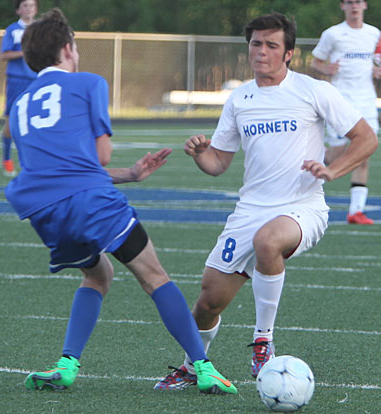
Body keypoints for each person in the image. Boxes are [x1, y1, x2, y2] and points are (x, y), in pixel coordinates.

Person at [5, 8, 237, 395]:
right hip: (91, 202)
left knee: (97, 275)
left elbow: (53, 169)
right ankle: (203, 366)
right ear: (67, 48)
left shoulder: (18, 106)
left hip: (43, 211)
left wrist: (130, 176)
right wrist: (116, 171)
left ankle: (67, 363)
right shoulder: (89, 83)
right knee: (154, 275)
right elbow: (101, 156)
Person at [154, 12, 378, 390]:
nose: (261, 51)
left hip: (303, 207)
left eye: (271, 45)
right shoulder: (240, 98)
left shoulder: (314, 91)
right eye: (256, 43)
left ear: (289, 53)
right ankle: (193, 366)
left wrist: (332, 171)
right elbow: (219, 163)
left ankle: (263, 341)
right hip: (250, 209)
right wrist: (199, 153)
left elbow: (366, 138)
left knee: (267, 241)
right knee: (207, 303)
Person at [311, 0, 381, 225]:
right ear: (343, 6)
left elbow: (378, 60)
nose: (354, 6)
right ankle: (313, 157)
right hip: (340, 101)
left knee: (364, 151)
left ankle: (356, 211)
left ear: (365, 6)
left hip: (367, 101)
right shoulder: (332, 34)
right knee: (337, 154)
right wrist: (326, 69)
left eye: (358, 2)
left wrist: (378, 70)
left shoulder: (374, 33)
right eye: (349, 2)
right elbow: (316, 62)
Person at [0, 0, 38, 177]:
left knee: (35, 121)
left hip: (37, 79)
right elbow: (4, 54)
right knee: (11, 121)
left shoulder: (40, 29)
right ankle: (7, 158)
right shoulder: (13, 30)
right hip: (17, 80)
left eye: (31, 5)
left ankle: (33, 162)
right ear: (18, 10)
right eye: (25, 5)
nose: (29, 8)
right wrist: (25, 51)